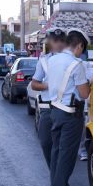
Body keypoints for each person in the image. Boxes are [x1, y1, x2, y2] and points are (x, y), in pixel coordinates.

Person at [46, 29, 92, 186]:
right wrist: (90, 83)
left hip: (55, 110)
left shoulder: (53, 59)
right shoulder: (76, 65)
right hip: (70, 115)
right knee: (66, 157)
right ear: (79, 45)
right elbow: (84, 93)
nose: (82, 52)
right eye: (83, 49)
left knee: (57, 154)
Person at [31, 28, 67, 169]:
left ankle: (58, 181)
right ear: (50, 42)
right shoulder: (44, 61)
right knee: (46, 142)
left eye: (61, 41)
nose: (58, 44)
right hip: (47, 108)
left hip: (66, 108)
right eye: (55, 41)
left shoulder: (72, 60)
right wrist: (48, 86)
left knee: (63, 147)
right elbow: (34, 84)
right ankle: (55, 173)